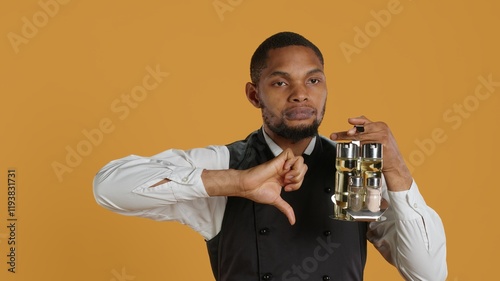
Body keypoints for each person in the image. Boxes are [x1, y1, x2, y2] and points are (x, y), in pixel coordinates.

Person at [93, 31, 447, 281]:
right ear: (253, 94)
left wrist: (397, 171)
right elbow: (108, 187)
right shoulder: (225, 164)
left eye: (313, 81)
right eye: (280, 83)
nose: (299, 95)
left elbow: (429, 275)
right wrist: (238, 182)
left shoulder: (355, 169)